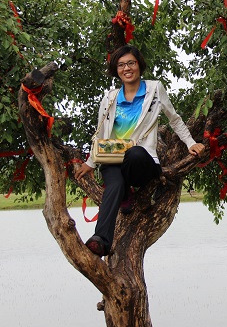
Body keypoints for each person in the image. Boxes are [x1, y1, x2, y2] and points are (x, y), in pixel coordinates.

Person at [75, 45, 204, 257]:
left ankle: (127, 192)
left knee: (134, 154)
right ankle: (101, 240)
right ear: (116, 70)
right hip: (112, 157)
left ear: (139, 65)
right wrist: (90, 163)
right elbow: (100, 134)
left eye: (131, 63)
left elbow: (175, 120)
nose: (127, 68)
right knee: (114, 185)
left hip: (142, 161)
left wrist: (191, 142)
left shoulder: (154, 89)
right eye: (121, 65)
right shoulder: (109, 98)